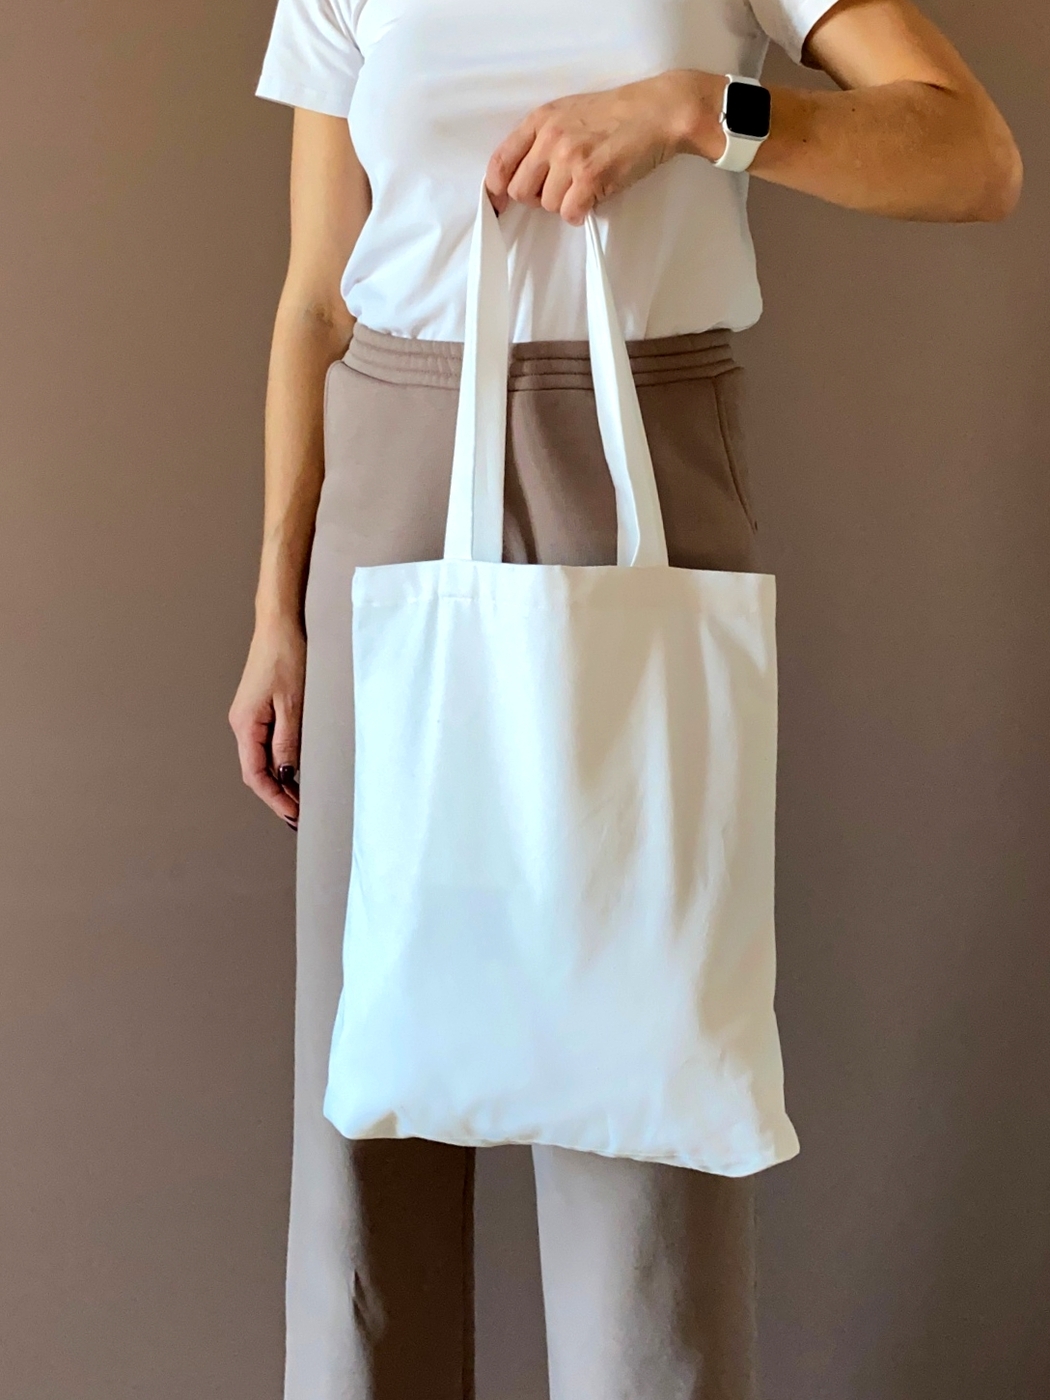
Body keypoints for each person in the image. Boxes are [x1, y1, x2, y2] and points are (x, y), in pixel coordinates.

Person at [229, 2, 1020, 1396]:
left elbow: (971, 157)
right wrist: (272, 611)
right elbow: (314, 299)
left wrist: (697, 110)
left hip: (641, 449)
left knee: (647, 1067)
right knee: (367, 1092)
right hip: (389, 478)